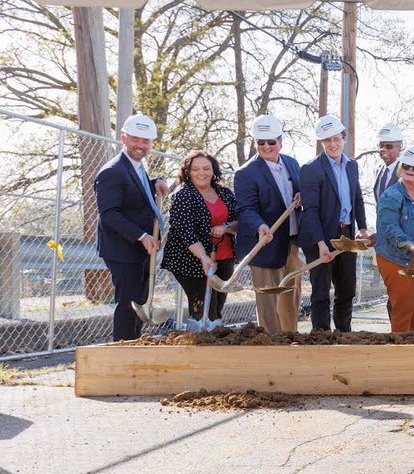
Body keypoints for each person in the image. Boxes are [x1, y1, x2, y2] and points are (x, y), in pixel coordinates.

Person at [94, 114, 168, 341]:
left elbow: (135, 191)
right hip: (124, 249)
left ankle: (134, 348)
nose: (140, 145)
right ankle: (123, 352)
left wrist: (154, 181)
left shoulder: (135, 167)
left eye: (145, 141)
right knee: (128, 306)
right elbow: (109, 214)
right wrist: (142, 235)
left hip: (141, 250)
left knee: (139, 303)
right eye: (135, 139)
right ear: (124, 138)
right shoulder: (112, 171)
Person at [234, 114, 304, 333]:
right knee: (268, 301)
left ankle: (289, 339)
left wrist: (303, 196)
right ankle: (271, 345)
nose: (266, 147)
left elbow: (301, 193)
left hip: (291, 242)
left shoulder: (292, 164)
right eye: (260, 142)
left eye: (271, 142)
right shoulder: (245, 173)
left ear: (280, 141)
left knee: (291, 297)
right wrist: (259, 226)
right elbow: (246, 209)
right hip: (266, 243)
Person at [298, 115, 368, 332]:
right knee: (320, 292)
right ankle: (321, 336)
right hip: (321, 235)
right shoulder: (311, 169)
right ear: (322, 143)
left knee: (346, 289)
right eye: (327, 140)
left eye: (336, 139)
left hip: (346, 235)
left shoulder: (352, 166)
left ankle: (343, 334)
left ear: (344, 138)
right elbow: (310, 210)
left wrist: (363, 227)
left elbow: (356, 198)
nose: (333, 144)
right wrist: (320, 243)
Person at [161, 150, 238, 328]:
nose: (201, 173)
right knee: (203, 308)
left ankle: (212, 337)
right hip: (191, 259)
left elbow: (239, 221)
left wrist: (225, 227)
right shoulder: (183, 196)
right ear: (187, 172)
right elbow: (186, 232)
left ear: (213, 171)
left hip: (224, 255)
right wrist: (203, 257)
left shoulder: (225, 193)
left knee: (217, 307)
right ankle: (198, 338)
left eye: (206, 168)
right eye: (195, 169)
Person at [375, 145, 414, 332]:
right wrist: (410, 245)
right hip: (394, 256)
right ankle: (399, 350)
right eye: (407, 166)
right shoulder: (392, 195)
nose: (410, 170)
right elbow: (389, 227)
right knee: (404, 307)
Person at [372, 124, 405, 204]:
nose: (383, 149)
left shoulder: (407, 172)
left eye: (389, 146)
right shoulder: (377, 170)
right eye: (381, 145)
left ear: (399, 147)